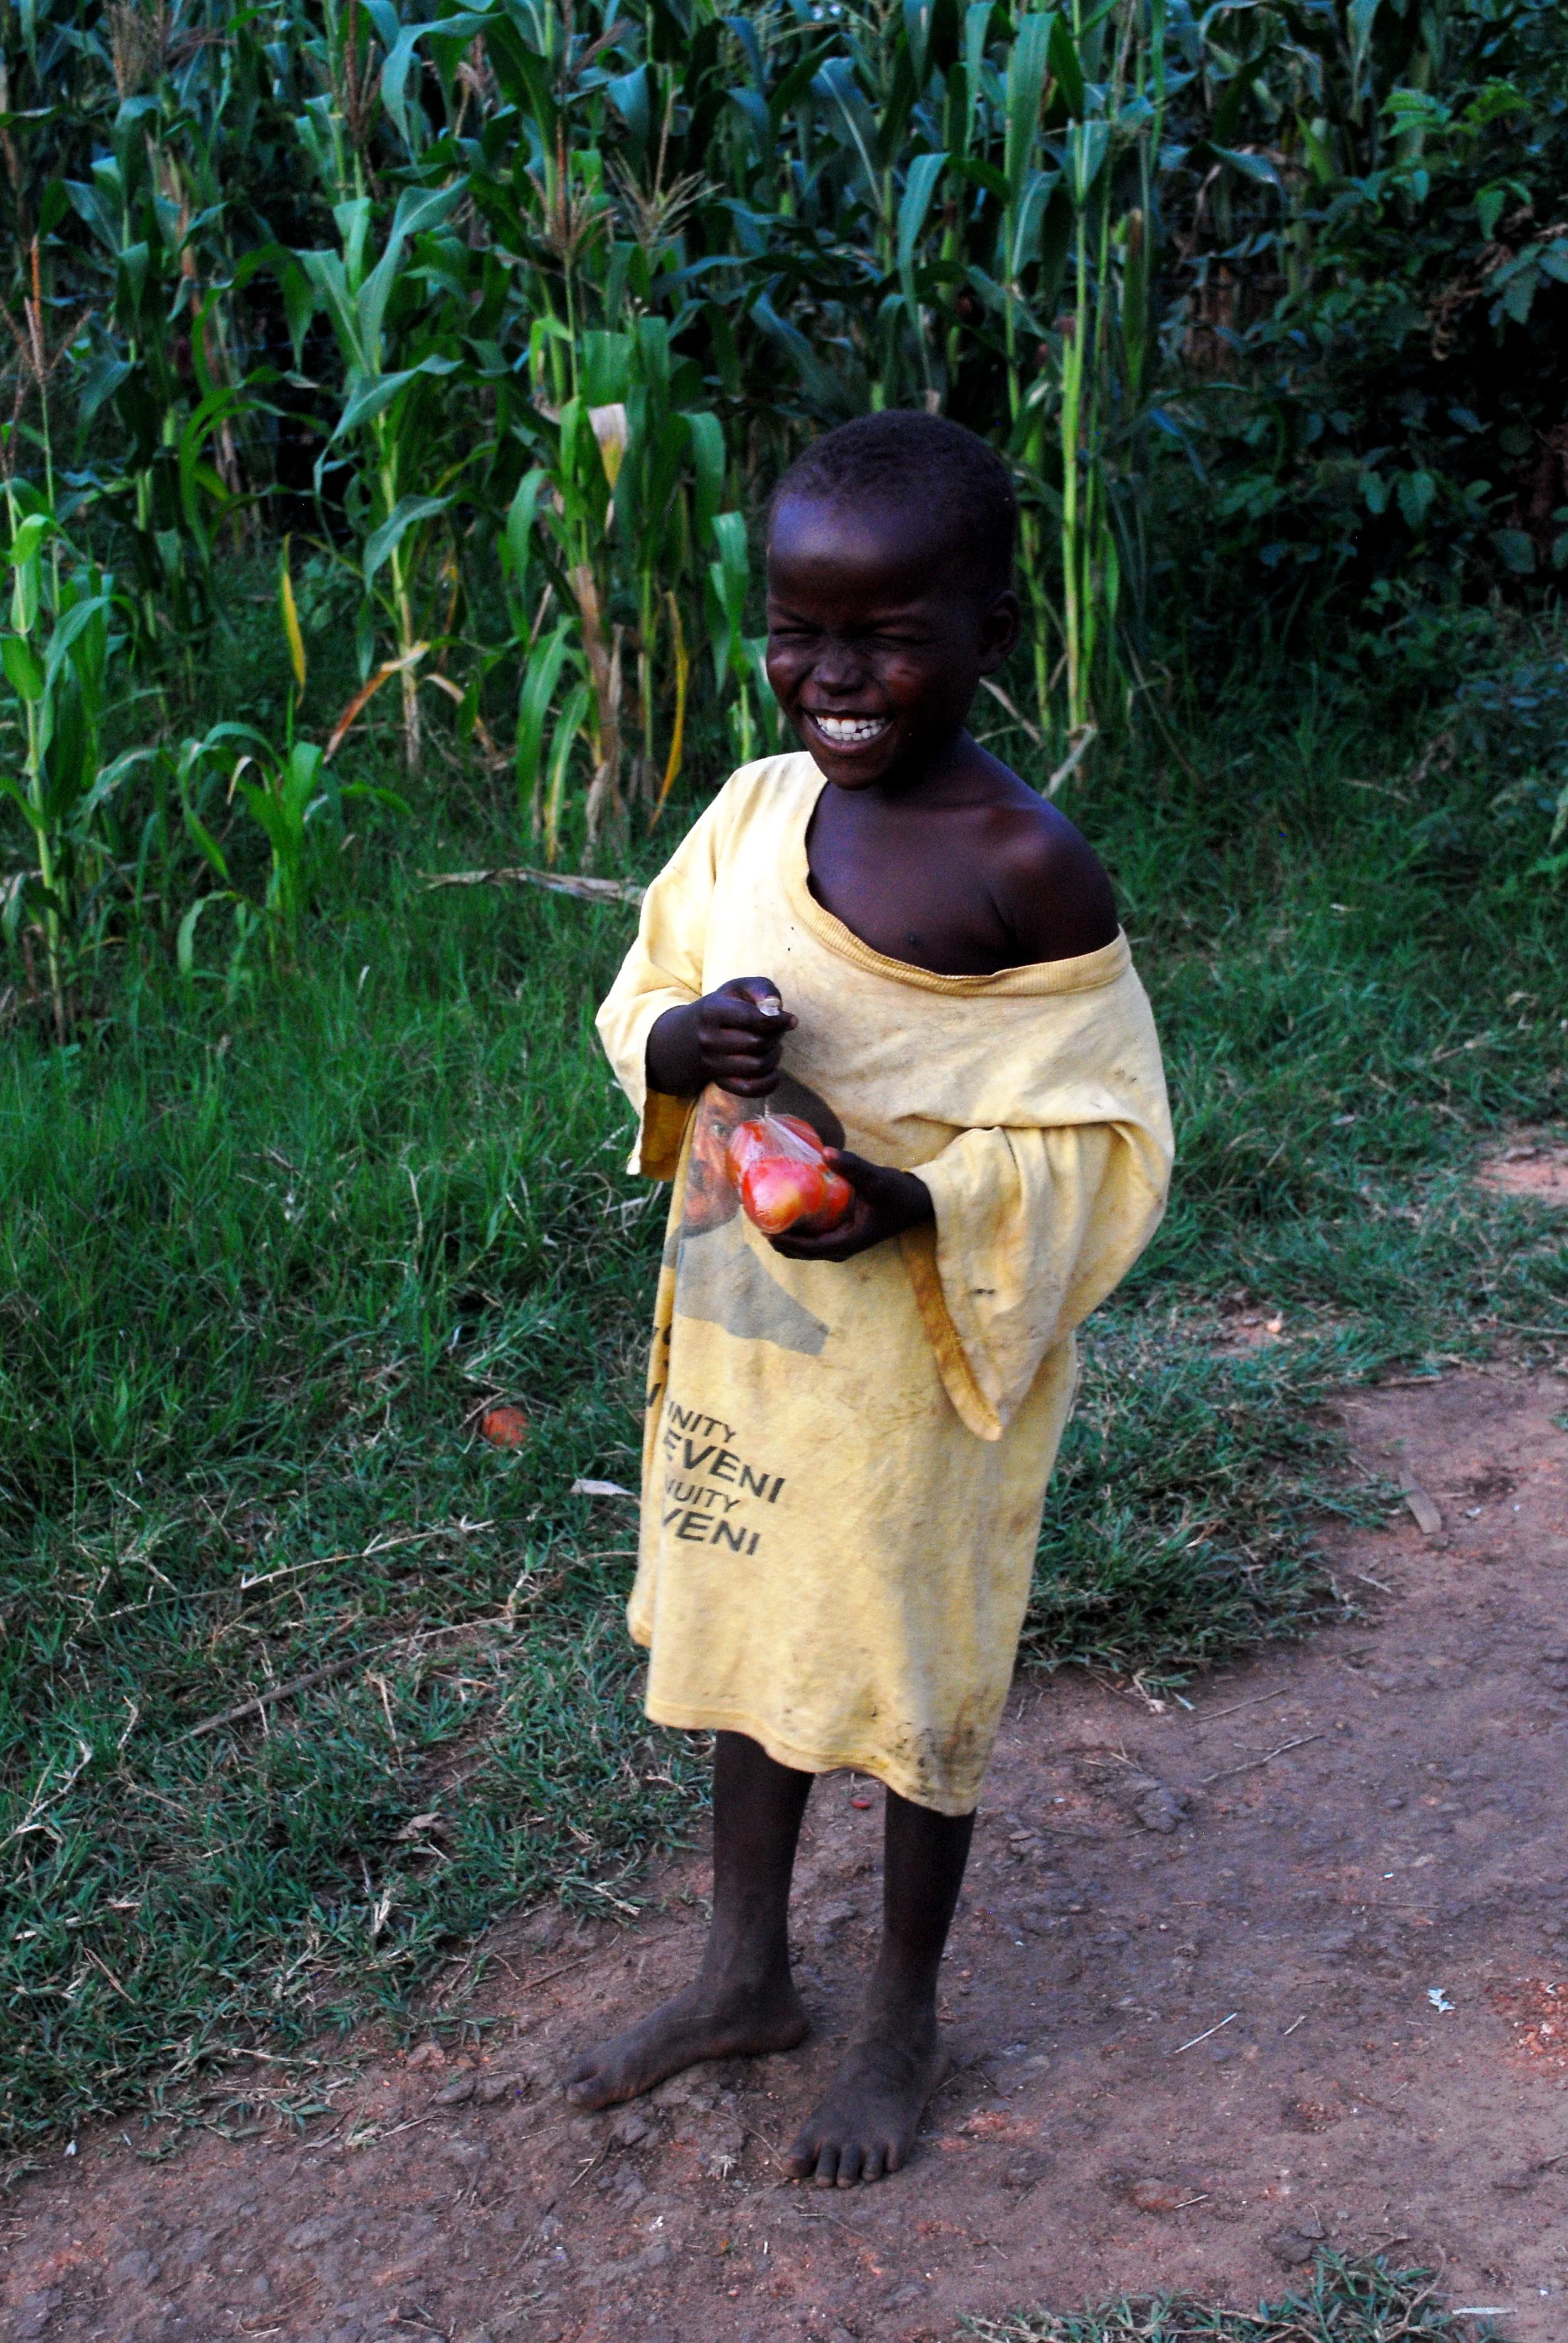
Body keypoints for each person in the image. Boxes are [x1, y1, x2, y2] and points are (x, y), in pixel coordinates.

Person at [580, 410, 1172, 2188]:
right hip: (754, 1355)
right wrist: (683, 1047)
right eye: (797, 628)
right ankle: (744, 1970)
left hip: (923, 1358)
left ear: (991, 633)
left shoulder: (1021, 870)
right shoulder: (758, 808)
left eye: (888, 634)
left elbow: (1104, 1138)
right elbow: (649, 987)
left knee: (913, 1672)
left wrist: (910, 1197)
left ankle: (901, 2008)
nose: (832, 675)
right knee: (763, 1643)